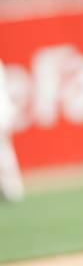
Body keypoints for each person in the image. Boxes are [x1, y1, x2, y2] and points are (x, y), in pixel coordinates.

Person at [0, 59, 25, 203]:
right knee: (5, 151)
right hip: (5, 112)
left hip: (2, 113)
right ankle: (12, 186)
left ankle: (12, 187)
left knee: (4, 151)